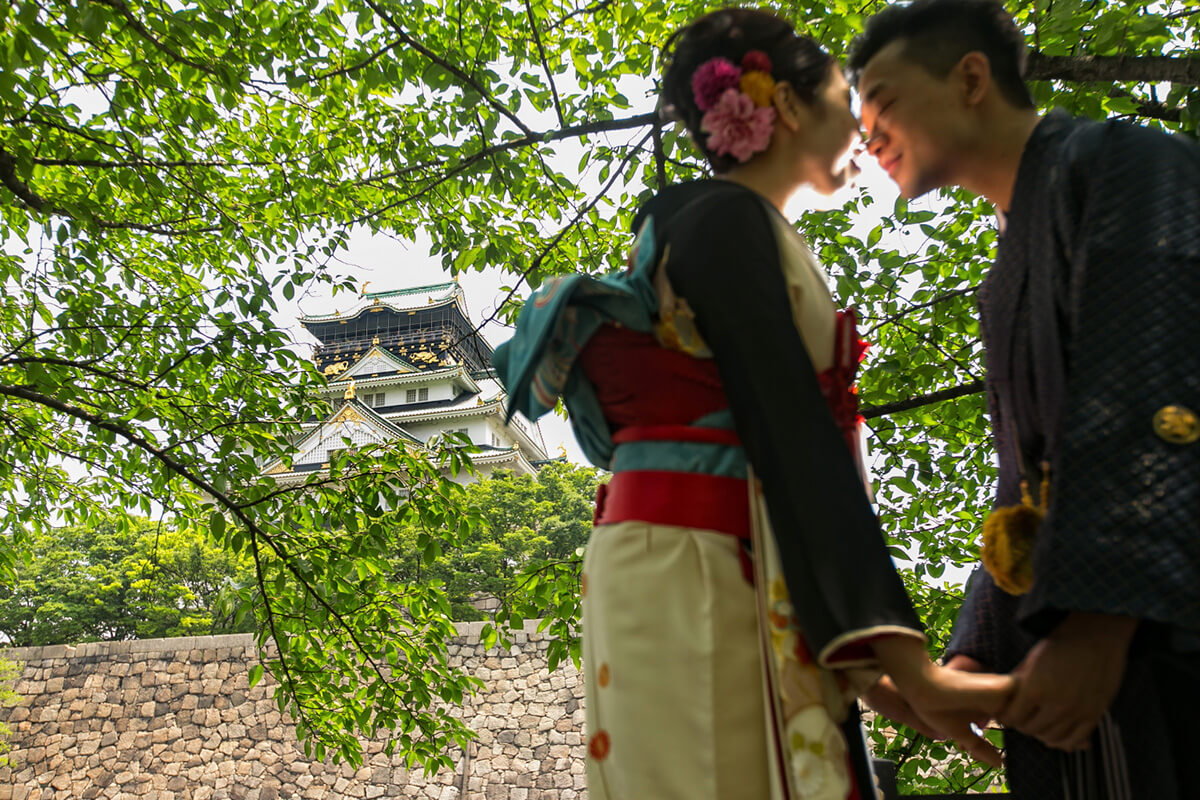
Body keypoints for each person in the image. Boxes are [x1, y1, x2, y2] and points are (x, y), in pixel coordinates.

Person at [495, 8, 1013, 799]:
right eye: (850, 98)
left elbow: (788, 439)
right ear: (791, 105)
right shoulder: (721, 220)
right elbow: (792, 434)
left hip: (718, 545)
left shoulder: (741, 226)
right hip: (700, 549)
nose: (866, 129)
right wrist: (910, 665)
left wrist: (877, 681)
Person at [847, 1, 1200, 797]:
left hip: (1157, 629)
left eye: (885, 105)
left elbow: (1160, 390)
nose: (870, 138)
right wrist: (977, 651)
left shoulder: (1125, 162)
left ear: (971, 77)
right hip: (1078, 646)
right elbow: (1026, 490)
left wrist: (1100, 623)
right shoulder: (1008, 271)